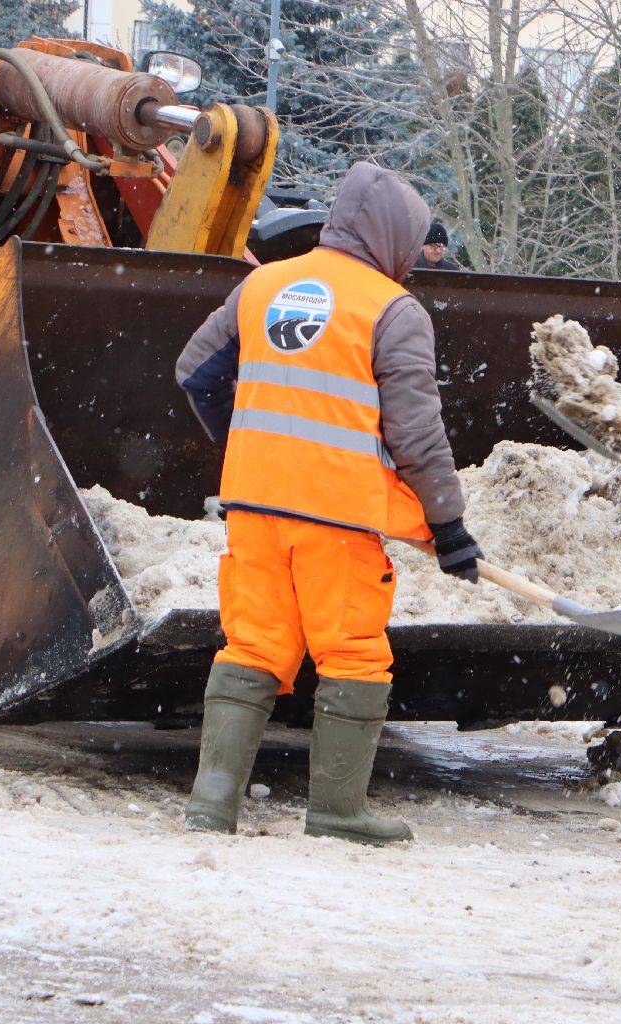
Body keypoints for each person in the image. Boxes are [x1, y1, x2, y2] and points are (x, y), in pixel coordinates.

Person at [174, 162, 483, 845]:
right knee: (351, 654)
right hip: (337, 519)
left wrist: (251, 441)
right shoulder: (391, 308)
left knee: (253, 644)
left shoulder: (263, 284)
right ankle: (338, 811)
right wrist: (448, 524)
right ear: (397, 237)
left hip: (253, 505)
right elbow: (416, 431)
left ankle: (210, 806)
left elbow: (194, 372)